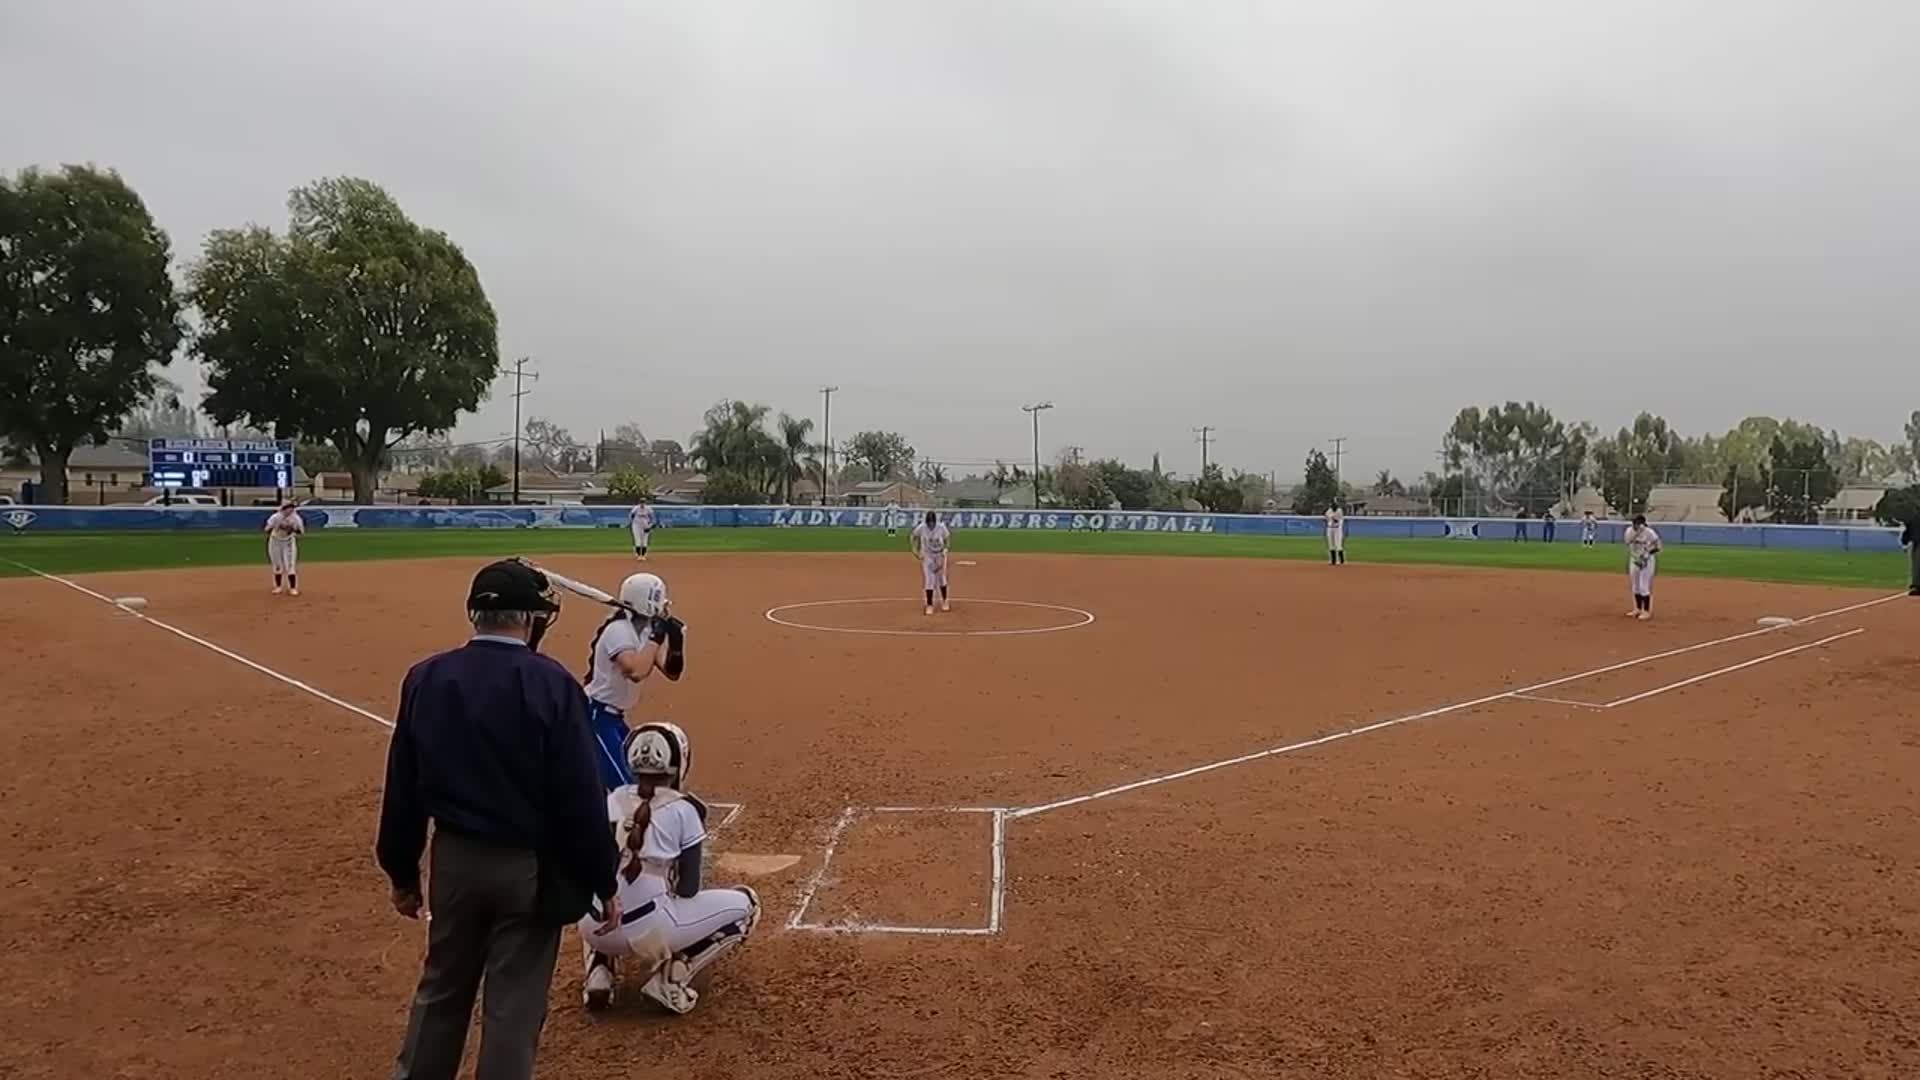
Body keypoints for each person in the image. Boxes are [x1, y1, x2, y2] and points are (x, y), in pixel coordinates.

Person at [378, 559, 621, 1080]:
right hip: (528, 869)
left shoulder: (427, 677)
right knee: (512, 1007)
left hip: (454, 862)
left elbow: (402, 787)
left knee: (441, 987)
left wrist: (401, 872)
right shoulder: (552, 684)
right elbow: (580, 797)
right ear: (532, 619)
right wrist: (603, 877)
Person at [580, 722, 759, 1014]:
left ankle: (598, 972)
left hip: (593, 927)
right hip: (648, 932)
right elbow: (689, 888)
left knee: (601, 896)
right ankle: (671, 977)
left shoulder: (611, 799)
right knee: (748, 904)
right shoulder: (684, 809)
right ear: (679, 762)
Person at [583, 573, 685, 791]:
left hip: (614, 718)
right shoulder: (618, 631)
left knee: (629, 776)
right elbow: (636, 671)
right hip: (596, 717)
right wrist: (657, 636)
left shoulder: (645, 631)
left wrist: (676, 641)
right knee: (626, 788)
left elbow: (671, 671)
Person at [911, 510, 952, 615]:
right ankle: (929, 604)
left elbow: (947, 539)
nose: (931, 525)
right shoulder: (922, 527)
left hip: (939, 554)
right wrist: (915, 550)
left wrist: (945, 550)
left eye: (932, 522)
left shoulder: (941, 527)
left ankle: (945, 601)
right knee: (929, 580)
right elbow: (913, 536)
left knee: (941, 578)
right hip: (927, 555)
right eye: (929, 523)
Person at [1624, 514, 1663, 620]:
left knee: (1643, 586)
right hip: (1635, 559)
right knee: (1635, 586)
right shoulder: (1629, 531)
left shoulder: (1650, 533)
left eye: (1636, 523)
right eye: (1633, 523)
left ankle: (1646, 611)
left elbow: (1659, 547)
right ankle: (1637, 609)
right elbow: (1627, 542)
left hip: (1647, 560)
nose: (1634, 525)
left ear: (1642, 523)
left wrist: (1647, 555)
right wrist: (1636, 534)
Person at [264, 501, 305, 596]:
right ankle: (278, 587)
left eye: (292, 508)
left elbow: (301, 532)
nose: (290, 510)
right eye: (288, 507)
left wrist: (292, 529)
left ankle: (293, 588)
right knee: (277, 564)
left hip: (288, 542)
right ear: (284, 509)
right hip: (275, 541)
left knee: (290, 564)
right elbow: (266, 529)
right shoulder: (276, 517)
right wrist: (276, 526)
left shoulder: (296, 518)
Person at [1903, 513, 1919, 596]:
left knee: (1916, 565)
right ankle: (1916, 586)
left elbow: (1908, 529)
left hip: (1917, 542)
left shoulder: (1914, 516)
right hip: (1917, 542)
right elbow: (1909, 529)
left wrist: (1905, 542)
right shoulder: (1914, 517)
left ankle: (1916, 586)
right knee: (1916, 565)